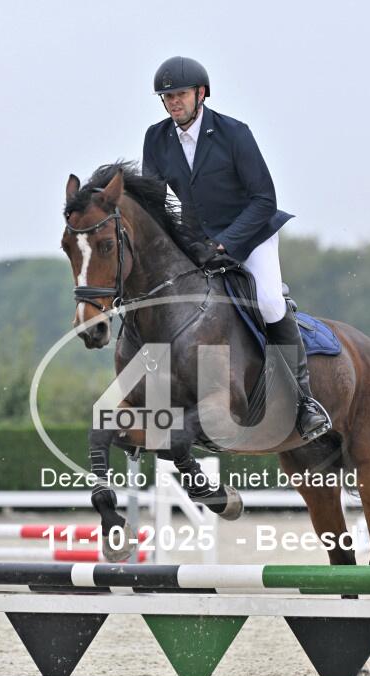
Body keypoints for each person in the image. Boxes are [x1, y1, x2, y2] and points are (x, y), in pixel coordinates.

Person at [142, 56, 330, 442]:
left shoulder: (233, 133)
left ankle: (304, 402)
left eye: (180, 94)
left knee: (269, 303)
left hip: (250, 235)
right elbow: (154, 201)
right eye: (167, 97)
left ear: (201, 94)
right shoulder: (156, 138)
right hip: (198, 242)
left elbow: (264, 199)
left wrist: (226, 242)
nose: (173, 102)